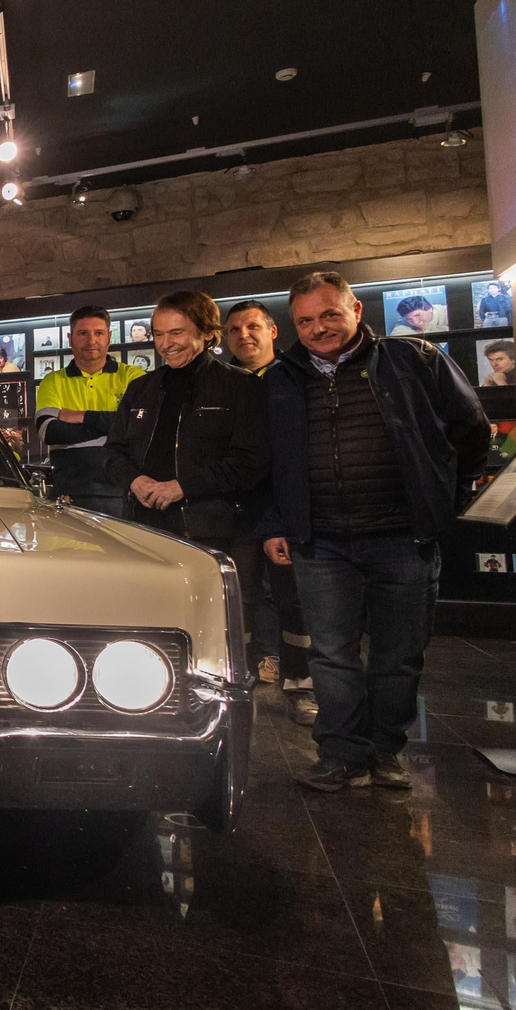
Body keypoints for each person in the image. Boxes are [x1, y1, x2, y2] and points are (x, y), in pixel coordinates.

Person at [261, 271, 489, 792]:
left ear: (355, 310)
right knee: (332, 653)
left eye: (329, 315)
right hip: (321, 543)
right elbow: (273, 462)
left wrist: (440, 500)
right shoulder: (281, 379)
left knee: (398, 654)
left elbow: (471, 429)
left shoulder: (416, 361)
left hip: (402, 539)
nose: (318, 328)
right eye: (305, 321)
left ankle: (386, 749)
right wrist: (277, 523)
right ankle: (340, 753)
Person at [105, 291, 269, 655]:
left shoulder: (241, 387)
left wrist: (182, 487)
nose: (166, 344)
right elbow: (113, 453)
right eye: (159, 334)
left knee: (214, 631)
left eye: (176, 333)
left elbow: (250, 464)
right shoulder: (140, 389)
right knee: (150, 622)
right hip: (144, 529)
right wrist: (136, 480)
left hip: (214, 533)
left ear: (207, 333)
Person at [223, 299, 319, 726]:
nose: (244, 335)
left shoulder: (295, 377)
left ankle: (301, 684)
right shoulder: (221, 383)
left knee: (293, 599)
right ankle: (239, 679)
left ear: (273, 330)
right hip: (239, 508)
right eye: (234, 330)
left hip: (287, 507)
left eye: (252, 326)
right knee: (238, 597)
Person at [34, 306, 146, 517]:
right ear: (70, 338)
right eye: (82, 333)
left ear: (109, 337)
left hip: (124, 493)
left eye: (98, 333)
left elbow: (139, 427)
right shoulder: (53, 381)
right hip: (70, 494)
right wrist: (114, 426)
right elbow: (50, 432)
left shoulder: (133, 376)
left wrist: (81, 416)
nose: (91, 340)